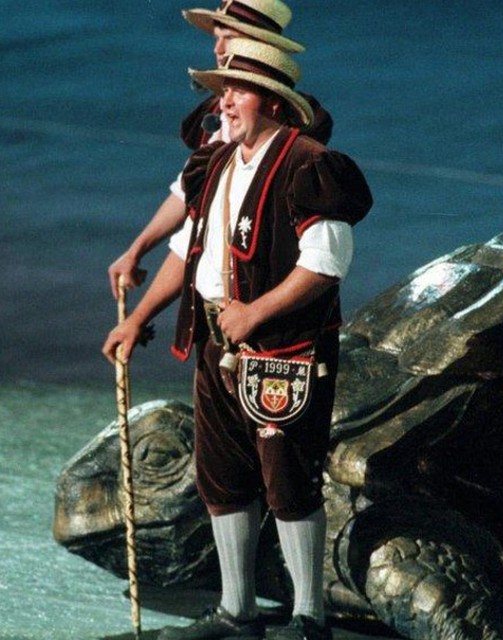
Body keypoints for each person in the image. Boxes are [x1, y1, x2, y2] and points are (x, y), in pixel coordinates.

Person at [103, 38, 372, 640]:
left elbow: (328, 261)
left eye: (236, 91)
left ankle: (309, 618)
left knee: (287, 479)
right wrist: (138, 318)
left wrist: (256, 314)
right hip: (217, 345)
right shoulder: (219, 161)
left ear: (273, 101)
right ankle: (238, 610)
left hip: (282, 353)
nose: (222, 104)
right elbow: (188, 250)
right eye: (221, 90)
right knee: (222, 477)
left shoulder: (307, 163)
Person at [107, 0, 333, 301]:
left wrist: (139, 317)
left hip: (255, 300)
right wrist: (137, 250)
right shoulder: (224, 116)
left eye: (229, 37)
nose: (218, 50)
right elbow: (188, 192)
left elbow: (203, 226)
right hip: (214, 291)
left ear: (261, 43)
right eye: (216, 38)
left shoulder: (288, 129)